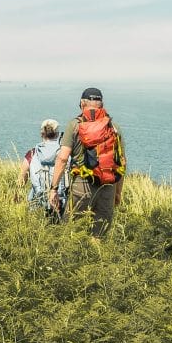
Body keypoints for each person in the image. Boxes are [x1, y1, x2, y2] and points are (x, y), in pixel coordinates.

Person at [48, 88, 127, 237]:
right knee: (99, 235)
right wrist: (118, 192)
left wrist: (53, 189)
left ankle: (73, 259)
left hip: (82, 185)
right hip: (108, 186)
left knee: (72, 232)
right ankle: (97, 258)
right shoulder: (114, 128)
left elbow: (62, 158)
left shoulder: (75, 125)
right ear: (101, 104)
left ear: (82, 104)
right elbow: (122, 163)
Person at [19, 119, 67, 221]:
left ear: (42, 134)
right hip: (60, 201)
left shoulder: (32, 153)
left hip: (38, 200)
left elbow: (21, 179)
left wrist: (16, 196)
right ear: (57, 134)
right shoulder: (64, 153)